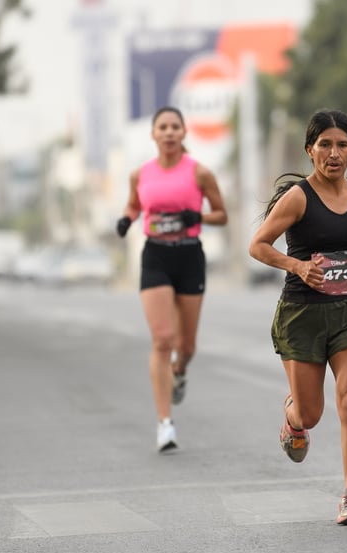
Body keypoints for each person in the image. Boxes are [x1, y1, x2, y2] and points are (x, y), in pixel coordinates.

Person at [248, 109, 347, 525]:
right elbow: (258, 245)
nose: (334, 154)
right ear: (310, 150)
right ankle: (293, 418)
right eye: (325, 145)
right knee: (312, 413)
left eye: (343, 145)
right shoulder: (298, 197)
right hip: (302, 314)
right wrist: (296, 266)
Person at [116, 106, 228, 452]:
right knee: (162, 339)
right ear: (153, 134)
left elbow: (222, 215)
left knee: (187, 346)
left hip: (189, 256)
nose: (167, 132)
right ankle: (165, 424)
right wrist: (126, 219)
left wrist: (197, 215)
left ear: (183, 133)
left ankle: (180, 371)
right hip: (156, 257)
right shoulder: (140, 175)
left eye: (174, 127)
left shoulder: (200, 173)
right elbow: (134, 206)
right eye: (162, 127)